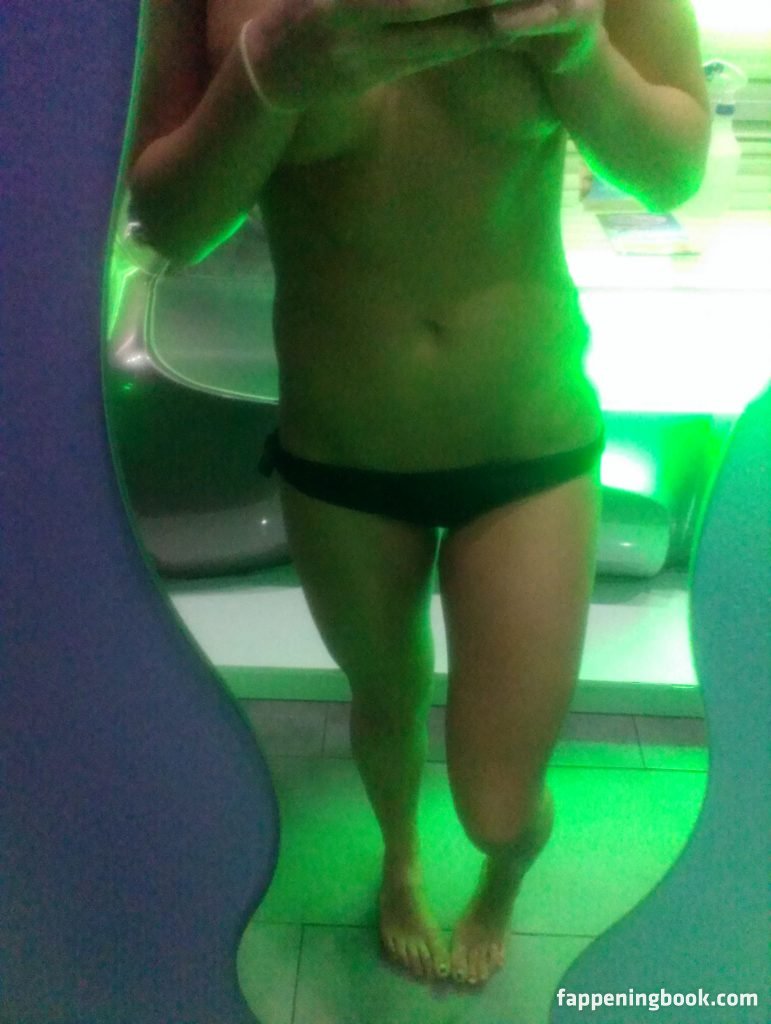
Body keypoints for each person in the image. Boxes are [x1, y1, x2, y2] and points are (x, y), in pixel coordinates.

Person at [127, 0, 710, 987]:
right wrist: (263, 82)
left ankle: (502, 875)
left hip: (526, 439)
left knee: (499, 805)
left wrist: (577, 49)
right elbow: (168, 227)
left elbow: (672, 171)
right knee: (384, 700)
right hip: (340, 446)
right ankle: (398, 860)